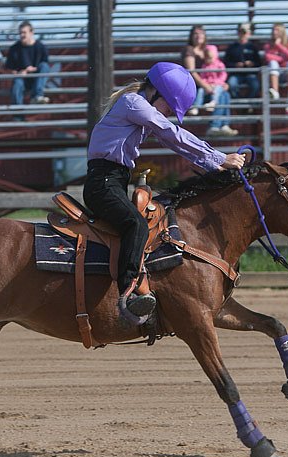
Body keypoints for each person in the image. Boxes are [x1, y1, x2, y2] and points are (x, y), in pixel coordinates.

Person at [84, 62, 245, 324]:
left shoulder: (138, 107)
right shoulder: (134, 104)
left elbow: (174, 140)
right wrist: (219, 157)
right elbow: (173, 133)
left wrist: (214, 165)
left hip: (112, 181)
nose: (169, 113)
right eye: (170, 107)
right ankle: (129, 293)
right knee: (135, 225)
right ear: (157, 93)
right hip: (103, 183)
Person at [182, 26, 237, 135]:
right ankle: (215, 125)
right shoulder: (189, 50)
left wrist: (221, 84)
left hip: (210, 84)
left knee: (225, 94)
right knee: (222, 95)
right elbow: (191, 72)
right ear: (191, 36)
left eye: (201, 33)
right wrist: (205, 86)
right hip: (197, 88)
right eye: (196, 34)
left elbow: (217, 70)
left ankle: (223, 125)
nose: (199, 36)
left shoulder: (208, 50)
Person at [5, 20, 51, 105]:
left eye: (24, 33)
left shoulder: (41, 47)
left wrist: (32, 70)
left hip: (37, 78)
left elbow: (45, 67)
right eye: (20, 33)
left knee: (44, 66)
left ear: (31, 32)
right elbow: (11, 69)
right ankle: (18, 114)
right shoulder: (14, 48)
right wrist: (20, 72)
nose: (22, 35)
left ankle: (37, 96)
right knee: (17, 82)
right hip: (22, 78)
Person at [224, 22, 261, 99]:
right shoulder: (232, 47)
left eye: (245, 32)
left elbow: (259, 63)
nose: (243, 35)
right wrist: (235, 65)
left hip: (250, 74)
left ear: (248, 33)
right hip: (236, 74)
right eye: (241, 32)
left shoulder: (253, 47)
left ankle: (248, 103)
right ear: (238, 33)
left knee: (255, 85)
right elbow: (226, 63)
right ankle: (239, 103)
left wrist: (252, 64)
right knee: (232, 83)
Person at [263, 22, 288, 99]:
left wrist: (279, 45)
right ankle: (275, 92)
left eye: (277, 30)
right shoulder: (268, 45)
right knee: (273, 63)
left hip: (287, 73)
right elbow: (268, 57)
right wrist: (283, 59)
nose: (274, 32)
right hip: (275, 73)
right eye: (273, 30)